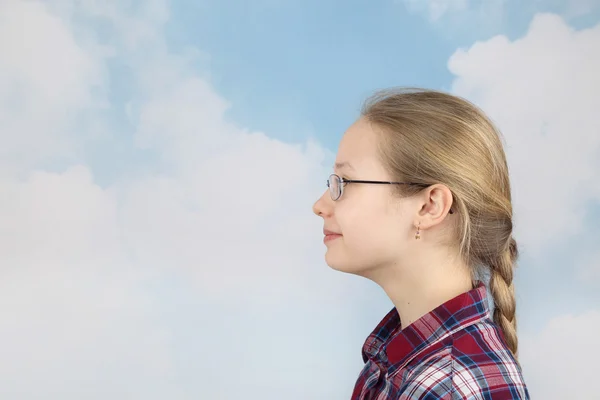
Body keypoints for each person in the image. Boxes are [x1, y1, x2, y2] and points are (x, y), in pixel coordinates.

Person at [312, 88, 530, 399]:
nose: (320, 205)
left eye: (343, 183)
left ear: (429, 206)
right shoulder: (398, 361)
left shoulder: (449, 387)